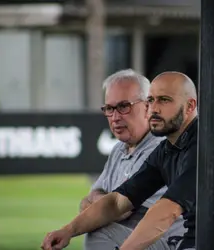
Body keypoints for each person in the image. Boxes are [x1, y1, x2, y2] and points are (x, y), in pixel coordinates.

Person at [41, 71, 198, 250]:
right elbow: (117, 202)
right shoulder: (167, 149)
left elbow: (167, 212)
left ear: (190, 106)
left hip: (206, 242)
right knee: (100, 230)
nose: (154, 109)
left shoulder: (202, 144)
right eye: (151, 100)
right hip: (190, 241)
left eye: (164, 100)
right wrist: (68, 230)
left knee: (102, 231)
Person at [79, 69, 186, 249]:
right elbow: (87, 203)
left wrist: (105, 206)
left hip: (169, 243)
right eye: (109, 109)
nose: (115, 117)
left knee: (99, 233)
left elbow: (121, 210)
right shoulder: (118, 150)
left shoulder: (161, 147)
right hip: (133, 240)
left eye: (123, 106)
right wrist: (105, 205)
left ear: (147, 107)